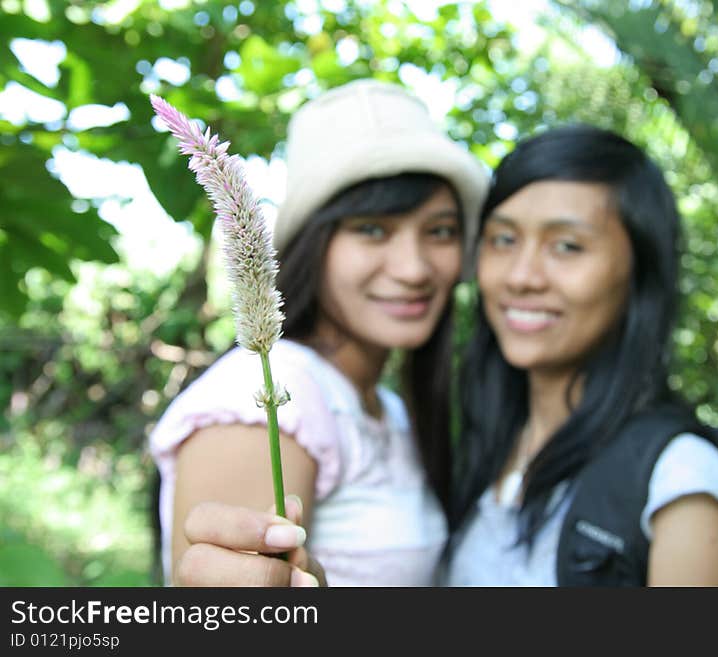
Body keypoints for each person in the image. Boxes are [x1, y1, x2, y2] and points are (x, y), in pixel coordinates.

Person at [149, 79, 488, 586]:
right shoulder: (264, 402)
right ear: (314, 243)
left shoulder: (383, 404)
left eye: (440, 230)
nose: (414, 267)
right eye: (372, 229)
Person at [444, 124, 718, 586]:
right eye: (503, 240)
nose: (521, 276)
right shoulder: (482, 447)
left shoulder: (678, 486)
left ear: (638, 276)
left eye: (567, 246)